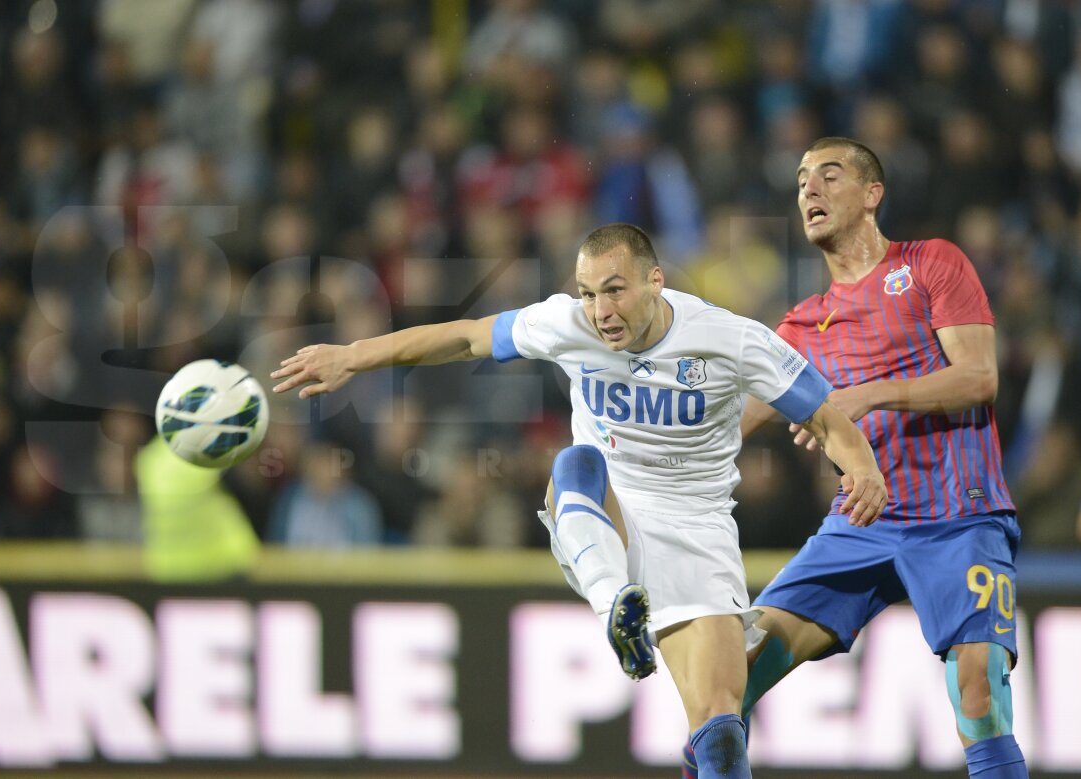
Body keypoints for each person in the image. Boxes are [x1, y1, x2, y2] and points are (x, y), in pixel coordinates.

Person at [271, 222, 887, 779]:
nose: (600, 311)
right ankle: (615, 603)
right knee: (576, 462)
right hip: (605, 519)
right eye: (588, 294)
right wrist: (353, 356)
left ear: (655, 281)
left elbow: (823, 413)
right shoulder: (565, 323)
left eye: (615, 291)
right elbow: (463, 338)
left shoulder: (729, 338)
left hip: (697, 533)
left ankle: (630, 618)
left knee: (721, 733)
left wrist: (861, 467)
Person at [687, 137, 1026, 778]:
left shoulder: (930, 262)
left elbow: (979, 377)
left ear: (873, 194)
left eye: (829, 175)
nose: (808, 189)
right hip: (860, 526)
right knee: (724, 688)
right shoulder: (799, 328)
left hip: (960, 518)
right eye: (801, 180)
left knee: (978, 695)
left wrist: (866, 394)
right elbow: (724, 428)